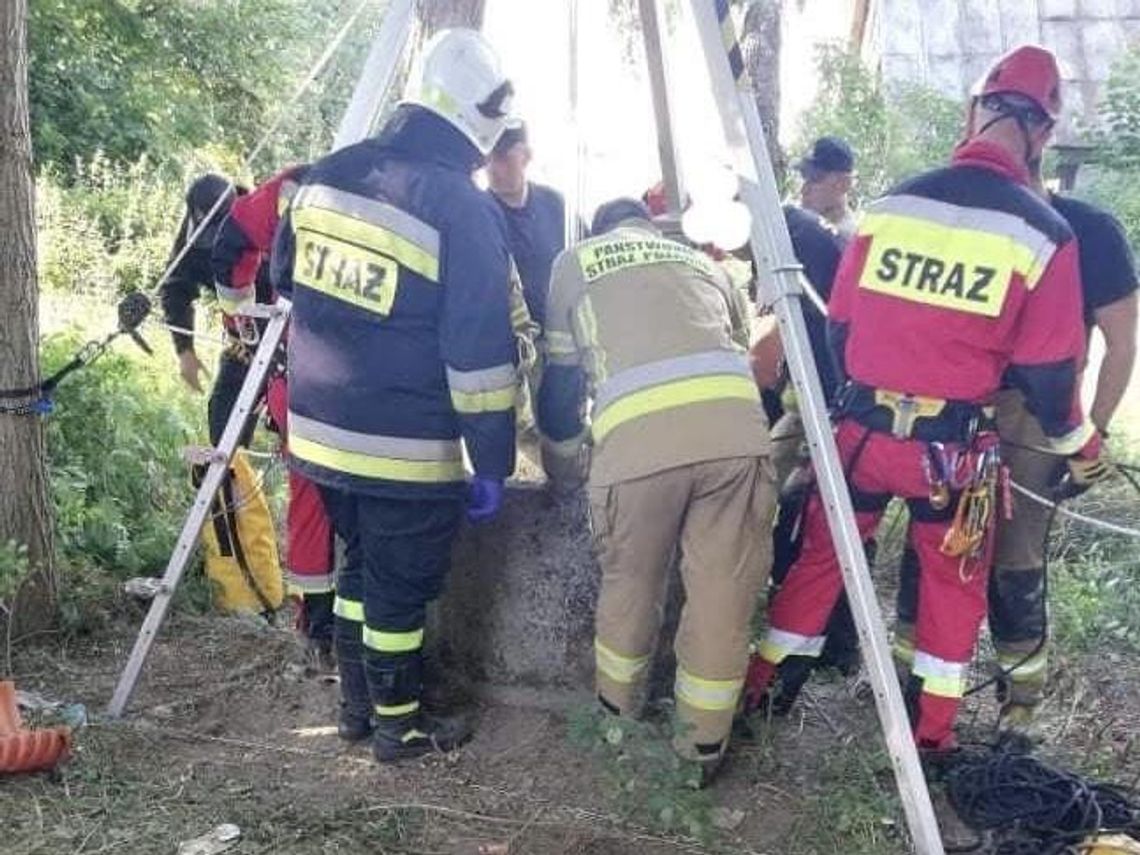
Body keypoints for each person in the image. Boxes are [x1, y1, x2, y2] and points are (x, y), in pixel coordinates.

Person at [743, 45, 1108, 755]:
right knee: (950, 593)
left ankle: (764, 690)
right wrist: (1084, 450)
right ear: (1041, 133)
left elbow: (843, 328)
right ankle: (929, 740)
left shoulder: (890, 206)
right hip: (951, 452)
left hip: (861, 436)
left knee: (822, 559)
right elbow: (1050, 378)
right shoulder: (1044, 233)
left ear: (976, 111)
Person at [270, 28, 518, 762]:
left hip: (319, 434)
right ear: (478, 123)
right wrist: (493, 460)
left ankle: (356, 709)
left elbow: (287, 278)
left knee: (361, 572)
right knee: (402, 593)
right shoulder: (461, 208)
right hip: (406, 448)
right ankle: (399, 727)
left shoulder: (327, 173)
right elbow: (479, 357)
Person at [538, 198, 777, 784]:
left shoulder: (577, 262)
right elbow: (745, 354)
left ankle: (617, 727)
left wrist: (562, 468)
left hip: (638, 451)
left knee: (631, 587)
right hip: (735, 442)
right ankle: (699, 754)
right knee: (722, 601)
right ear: (652, 227)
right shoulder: (706, 266)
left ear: (602, 230)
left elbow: (560, 384)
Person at [983, 160, 1137, 724]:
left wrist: (1087, 436)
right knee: (937, 549)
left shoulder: (1088, 228)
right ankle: (918, 693)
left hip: (1037, 418)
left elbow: (1122, 344)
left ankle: (1019, 708)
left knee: (1016, 558)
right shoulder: (975, 217)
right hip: (961, 407)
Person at [211, 165, 337, 667]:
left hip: (301, 377)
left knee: (309, 500)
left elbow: (230, 246)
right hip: (369, 387)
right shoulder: (408, 193)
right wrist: (243, 320)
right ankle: (344, 628)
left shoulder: (295, 187)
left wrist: (240, 320)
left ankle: (319, 627)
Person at [160, 173, 254, 446]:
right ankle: (231, 479)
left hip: (282, 335)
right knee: (224, 422)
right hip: (239, 337)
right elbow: (176, 287)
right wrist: (185, 351)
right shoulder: (192, 234)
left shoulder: (258, 222)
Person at [486, 119, 568, 328]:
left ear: (527, 156)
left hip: (559, 332)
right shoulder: (479, 214)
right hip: (508, 338)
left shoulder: (555, 205)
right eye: (489, 158)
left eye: (503, 158)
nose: (494, 168)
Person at [796, 136, 857, 240]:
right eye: (804, 177)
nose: (804, 190)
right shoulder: (801, 228)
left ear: (843, 184)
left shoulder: (847, 242)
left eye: (814, 178)